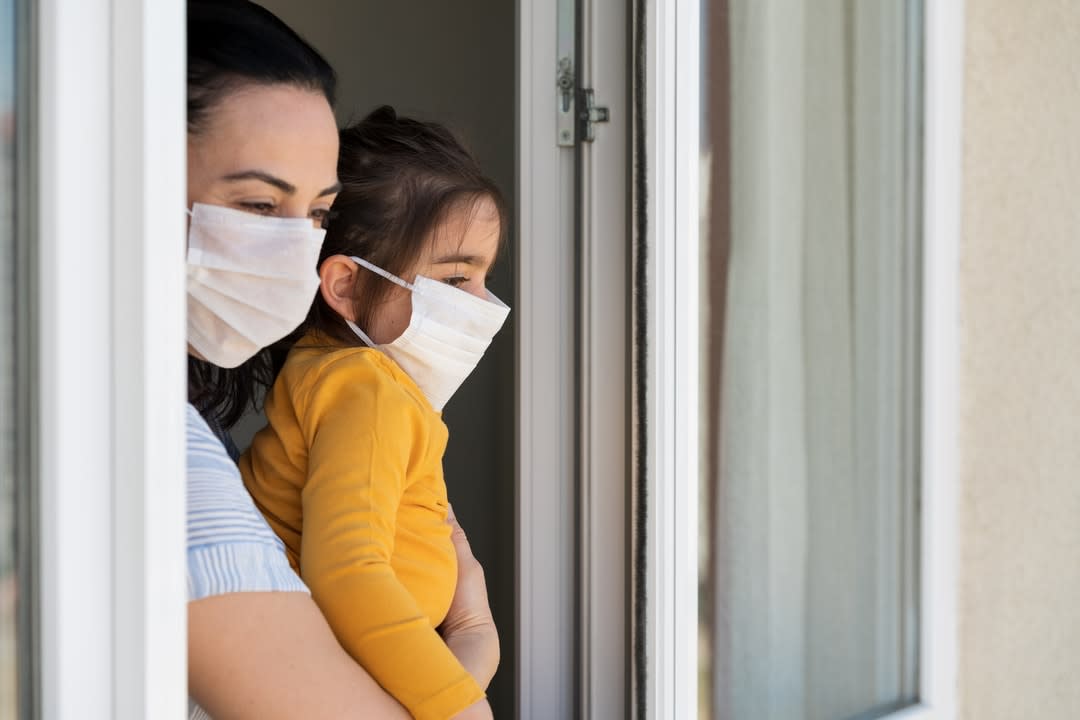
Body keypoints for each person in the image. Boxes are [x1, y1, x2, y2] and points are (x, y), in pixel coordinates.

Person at [183, 3, 498, 718]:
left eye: (320, 214)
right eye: (260, 205)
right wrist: (472, 655)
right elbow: (348, 569)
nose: (299, 250)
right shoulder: (166, 461)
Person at [239, 106, 508, 720]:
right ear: (346, 286)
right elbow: (347, 572)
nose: (484, 303)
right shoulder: (369, 387)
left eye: (486, 276)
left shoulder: (334, 371)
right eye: (458, 277)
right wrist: (459, 703)